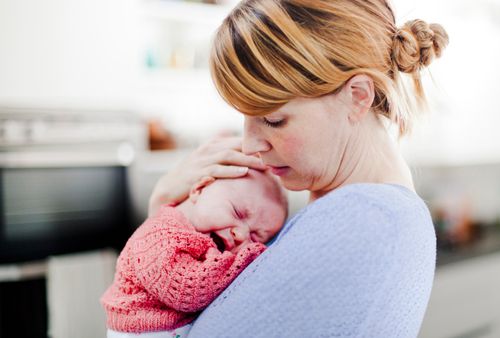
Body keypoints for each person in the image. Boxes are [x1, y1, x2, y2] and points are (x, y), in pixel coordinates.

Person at [148, 0, 449, 337]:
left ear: (358, 96)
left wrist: (159, 217)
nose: (250, 145)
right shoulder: (363, 212)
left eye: (273, 120)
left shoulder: (364, 219)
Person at [101, 169, 288, 337]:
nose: (240, 235)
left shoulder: (205, 237)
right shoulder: (160, 234)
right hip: (140, 330)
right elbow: (187, 291)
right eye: (237, 213)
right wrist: (250, 255)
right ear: (199, 189)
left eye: (255, 237)